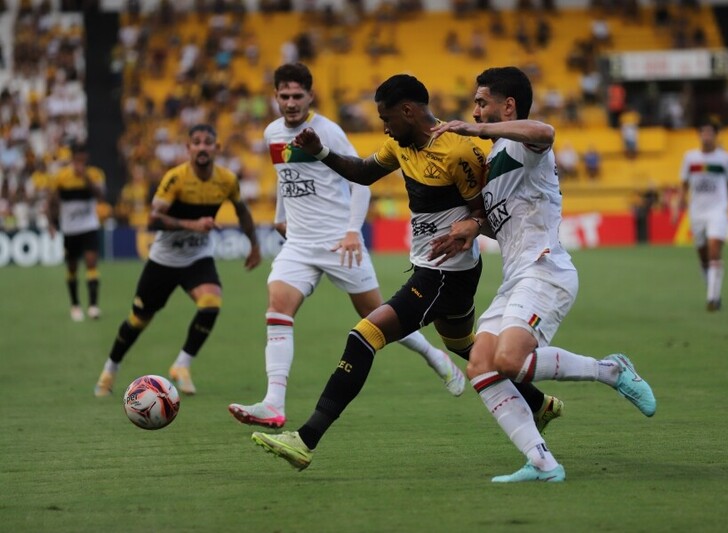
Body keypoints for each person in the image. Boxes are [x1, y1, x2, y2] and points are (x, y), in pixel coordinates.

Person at [250, 74, 561, 470]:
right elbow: (363, 171)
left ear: (408, 111)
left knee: (363, 336)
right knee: (466, 347)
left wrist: (470, 224)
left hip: (445, 273)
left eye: (387, 117)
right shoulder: (399, 144)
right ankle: (541, 403)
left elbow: (483, 208)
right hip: (435, 267)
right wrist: (322, 152)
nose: (384, 126)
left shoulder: (458, 151)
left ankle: (305, 439)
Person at [427, 66, 656, 482]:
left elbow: (546, 131)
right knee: (480, 364)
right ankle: (541, 461)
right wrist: (473, 227)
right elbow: (503, 220)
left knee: (509, 360)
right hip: (515, 278)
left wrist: (477, 132)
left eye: (482, 103)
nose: (475, 111)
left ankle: (611, 371)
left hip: (545, 269)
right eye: (475, 104)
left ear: (507, 105)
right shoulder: (496, 159)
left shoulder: (524, 144)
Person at [227, 63, 466, 430]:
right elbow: (284, 176)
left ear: (310, 96)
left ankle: (435, 356)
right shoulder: (272, 132)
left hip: (339, 240)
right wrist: (279, 213)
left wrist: (353, 230)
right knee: (277, 308)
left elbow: (362, 180)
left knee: (378, 317)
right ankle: (273, 403)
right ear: (275, 97)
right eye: (284, 96)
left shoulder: (329, 132)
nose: (290, 103)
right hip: (299, 242)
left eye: (297, 96)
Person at [93, 124, 261, 397]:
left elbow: (242, 210)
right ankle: (110, 368)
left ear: (217, 148)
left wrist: (254, 245)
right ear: (188, 148)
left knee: (211, 303)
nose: (203, 147)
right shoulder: (176, 179)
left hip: (197, 257)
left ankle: (182, 365)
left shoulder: (227, 180)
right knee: (138, 320)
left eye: (208, 142)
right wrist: (192, 224)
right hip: (164, 260)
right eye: (197, 142)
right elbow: (152, 219)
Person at [678, 119, 728, 312]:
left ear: (715, 135)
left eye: (710, 132)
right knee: (703, 257)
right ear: (699, 135)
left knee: (714, 251)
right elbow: (684, 185)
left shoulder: (725, 159)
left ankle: (712, 298)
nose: (706, 136)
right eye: (703, 132)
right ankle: (712, 288)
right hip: (697, 211)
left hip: (718, 210)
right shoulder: (690, 158)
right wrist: (678, 205)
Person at [47, 142, 106, 322]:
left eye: (83, 158)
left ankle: (93, 306)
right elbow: (52, 202)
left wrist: (86, 178)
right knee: (72, 267)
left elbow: (101, 196)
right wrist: (51, 223)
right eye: (78, 158)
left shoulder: (95, 174)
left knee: (91, 262)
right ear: (73, 158)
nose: (81, 161)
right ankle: (75, 305)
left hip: (89, 226)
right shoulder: (61, 177)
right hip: (70, 229)